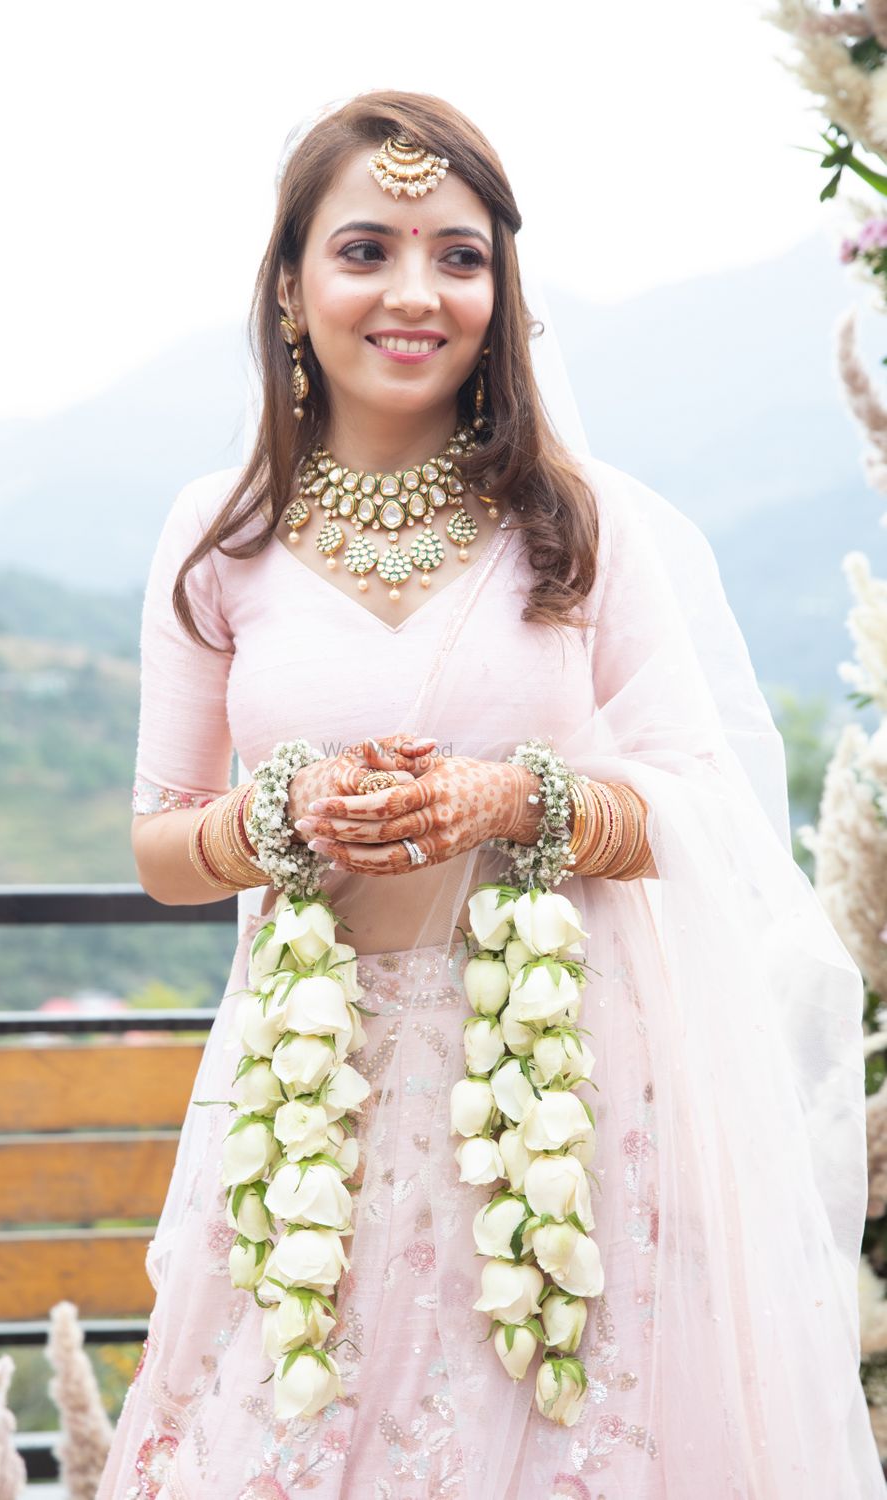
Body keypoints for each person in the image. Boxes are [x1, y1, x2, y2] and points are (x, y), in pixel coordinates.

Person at [96, 92, 885, 1499]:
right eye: (366, 250)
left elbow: (702, 805)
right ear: (290, 286)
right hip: (306, 1136)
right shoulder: (221, 537)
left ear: (502, 290)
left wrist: (513, 799)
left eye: (459, 256)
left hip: (566, 1126)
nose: (416, 293)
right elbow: (163, 847)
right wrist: (277, 817)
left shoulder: (580, 523)